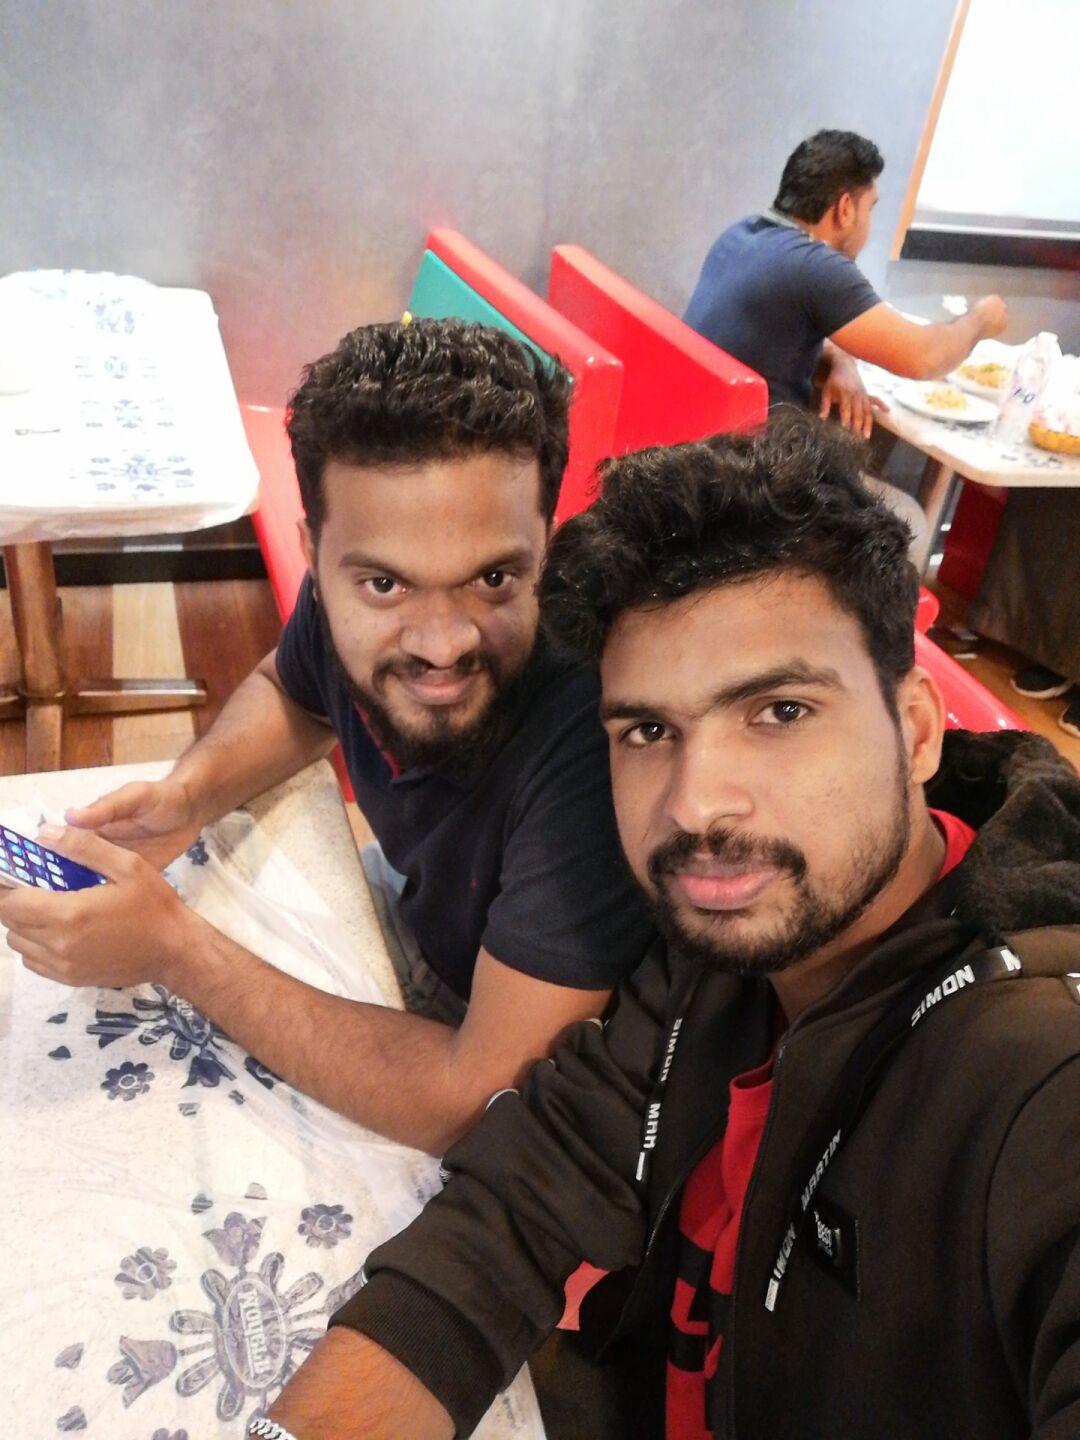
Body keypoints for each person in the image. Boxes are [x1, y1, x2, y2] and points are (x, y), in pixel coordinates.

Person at [264, 414, 1080, 1440]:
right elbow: (516, 1206)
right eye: (649, 730)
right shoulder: (728, 950)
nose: (697, 806)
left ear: (917, 731)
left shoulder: (1039, 1072)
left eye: (779, 712)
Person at [0, 318, 653, 1156]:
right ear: (314, 553)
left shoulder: (601, 746)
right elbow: (292, 690)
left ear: (546, 545)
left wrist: (173, 949)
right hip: (420, 935)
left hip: (527, 1075)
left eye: (493, 578)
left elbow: (476, 1098)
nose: (441, 643)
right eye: (385, 585)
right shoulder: (336, 602)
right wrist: (188, 797)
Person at [683, 129, 1010, 440]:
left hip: (693, 444)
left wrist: (840, 360)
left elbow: (771, 335)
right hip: (748, 466)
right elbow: (924, 357)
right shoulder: (814, 265)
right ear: (845, 209)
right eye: (870, 208)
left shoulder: (740, 236)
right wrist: (981, 319)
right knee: (882, 476)